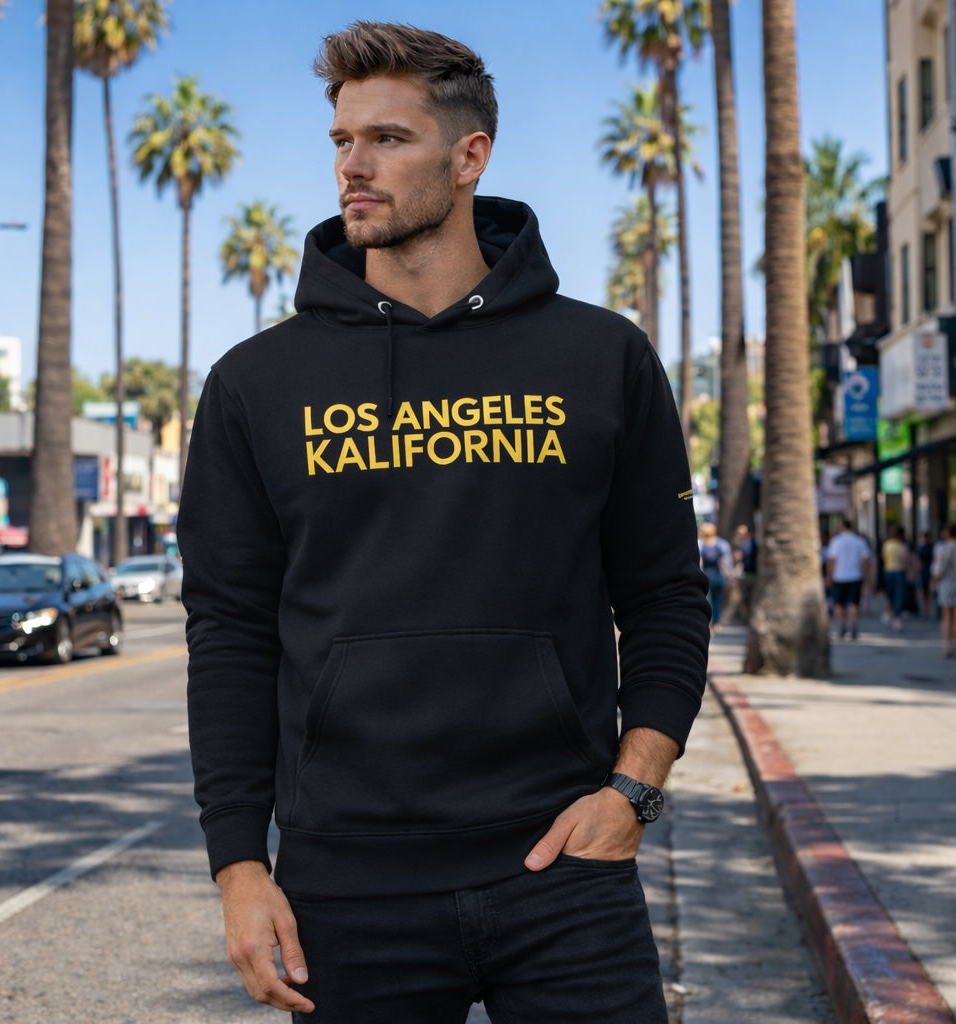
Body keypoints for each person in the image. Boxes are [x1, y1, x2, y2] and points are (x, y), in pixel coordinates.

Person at [178, 21, 711, 1023]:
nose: (352, 165)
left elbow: (664, 597)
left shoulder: (601, 360)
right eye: (341, 140)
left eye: (386, 139)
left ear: (469, 157)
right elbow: (232, 635)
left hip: (566, 869)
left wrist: (631, 793)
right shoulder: (257, 384)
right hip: (346, 885)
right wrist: (239, 868)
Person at [825, 519, 873, 640]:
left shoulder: (836, 541)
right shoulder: (859, 541)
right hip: (855, 576)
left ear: (842, 527)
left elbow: (831, 561)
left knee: (838, 603)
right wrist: (868, 577)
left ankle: (842, 626)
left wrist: (829, 576)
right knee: (854, 603)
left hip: (839, 576)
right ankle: (854, 627)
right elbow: (866, 561)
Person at [698, 522, 733, 632]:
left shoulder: (700, 544)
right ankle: (716, 624)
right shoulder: (722, 544)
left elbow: (699, 563)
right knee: (717, 601)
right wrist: (729, 576)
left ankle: (705, 622)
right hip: (718, 576)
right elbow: (724, 563)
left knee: (706, 601)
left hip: (705, 577)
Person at [930, 524, 956, 656]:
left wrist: (934, 580)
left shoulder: (946, 548)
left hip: (948, 583)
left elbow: (941, 568)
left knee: (947, 616)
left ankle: (948, 645)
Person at [880, 523, 908, 631]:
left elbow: (883, 557)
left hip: (888, 571)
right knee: (898, 594)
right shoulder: (901, 545)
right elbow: (904, 560)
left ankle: (889, 613)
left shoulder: (886, 544)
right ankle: (897, 617)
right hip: (898, 571)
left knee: (890, 594)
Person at [732, 523, 758, 624]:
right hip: (744, 573)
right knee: (744, 596)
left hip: (752, 572)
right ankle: (746, 617)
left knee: (750, 596)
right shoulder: (740, 543)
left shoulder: (752, 543)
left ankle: (750, 616)